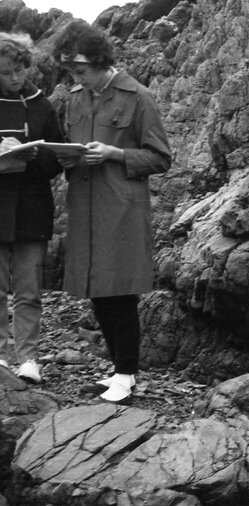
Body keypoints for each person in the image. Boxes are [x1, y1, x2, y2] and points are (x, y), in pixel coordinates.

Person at [51, 21, 172, 405]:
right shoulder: (76, 97)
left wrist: (114, 153)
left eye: (80, 69)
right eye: (70, 70)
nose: (75, 76)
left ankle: (126, 374)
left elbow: (160, 157)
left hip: (121, 210)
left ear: (101, 60)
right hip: (84, 209)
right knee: (98, 292)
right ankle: (119, 370)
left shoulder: (138, 97)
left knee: (120, 293)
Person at [0, 33, 64, 384]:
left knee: (29, 290)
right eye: (7, 72)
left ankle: (27, 359)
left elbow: (59, 157)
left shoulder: (40, 104)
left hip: (32, 209)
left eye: (21, 69)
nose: (16, 77)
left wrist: (31, 155)